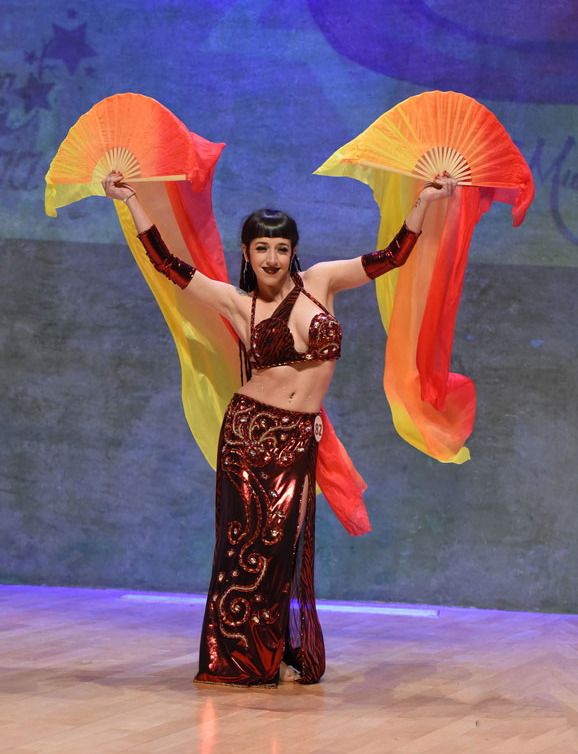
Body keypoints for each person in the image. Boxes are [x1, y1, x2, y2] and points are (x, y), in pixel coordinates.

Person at [101, 169, 456, 687]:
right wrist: (130, 200)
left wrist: (424, 201)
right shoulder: (236, 301)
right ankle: (234, 661)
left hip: (296, 437)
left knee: (282, 550)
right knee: (242, 552)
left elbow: (391, 257)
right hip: (247, 435)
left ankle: (274, 655)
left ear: (294, 252)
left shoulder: (323, 281)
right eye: (262, 248)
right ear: (246, 253)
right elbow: (167, 264)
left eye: (282, 248)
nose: (272, 258)